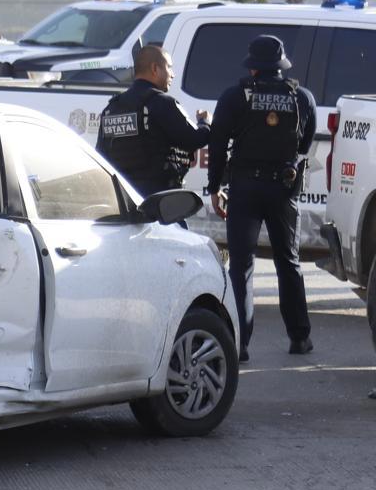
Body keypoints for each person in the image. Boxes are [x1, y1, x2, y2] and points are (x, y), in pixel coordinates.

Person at [206, 34, 317, 362]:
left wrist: (215, 187)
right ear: (281, 67)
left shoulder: (234, 96)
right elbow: (304, 145)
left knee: (241, 266)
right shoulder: (302, 97)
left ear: (253, 68)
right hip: (283, 188)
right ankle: (300, 338)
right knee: (289, 262)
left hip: (244, 187)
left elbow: (217, 144)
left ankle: (239, 343)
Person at [95, 42, 211, 198]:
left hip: (124, 199)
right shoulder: (162, 103)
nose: (173, 74)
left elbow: (101, 156)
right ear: (155, 69)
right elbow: (194, 140)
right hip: (160, 200)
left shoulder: (111, 109)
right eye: (169, 67)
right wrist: (205, 123)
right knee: (176, 224)